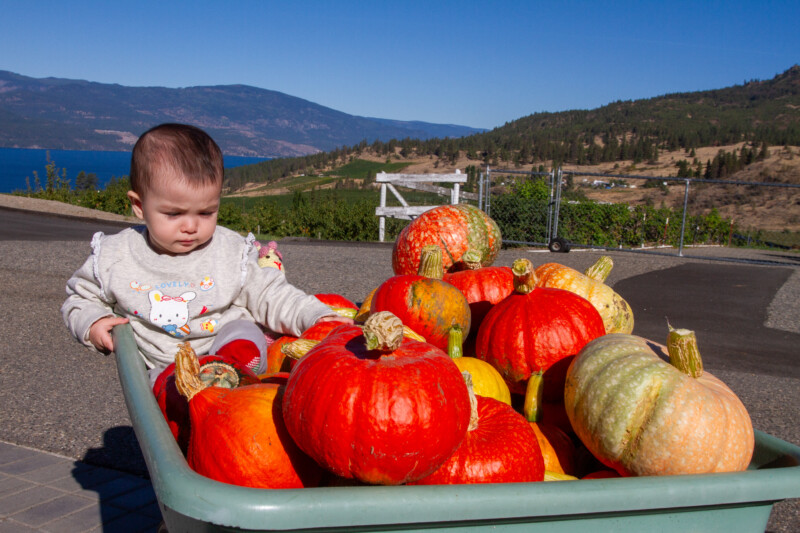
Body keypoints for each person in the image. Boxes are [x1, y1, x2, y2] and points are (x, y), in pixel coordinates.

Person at [61, 123, 349, 384]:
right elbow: (80, 298)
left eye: (206, 212)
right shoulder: (115, 255)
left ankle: (235, 364)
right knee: (161, 386)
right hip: (165, 366)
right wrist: (92, 323)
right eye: (173, 214)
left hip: (221, 343)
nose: (191, 226)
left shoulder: (230, 250)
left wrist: (316, 317)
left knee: (243, 330)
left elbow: (271, 294)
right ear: (139, 206)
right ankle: (180, 392)